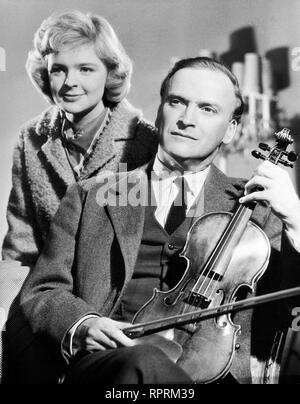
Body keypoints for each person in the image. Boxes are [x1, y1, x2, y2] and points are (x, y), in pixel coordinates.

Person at [15, 57, 300, 384]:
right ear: (160, 109)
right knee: (144, 358)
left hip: (216, 374)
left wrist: (295, 220)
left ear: (231, 128)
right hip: (112, 366)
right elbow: (44, 288)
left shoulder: (256, 205)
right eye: (177, 102)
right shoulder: (89, 196)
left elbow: (291, 302)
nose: (187, 120)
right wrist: (83, 325)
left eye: (207, 109)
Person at [2, 10, 157, 267]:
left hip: (118, 302)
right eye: (59, 70)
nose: (70, 82)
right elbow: (20, 249)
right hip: (45, 297)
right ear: (45, 74)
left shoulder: (146, 141)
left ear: (110, 73)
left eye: (85, 69)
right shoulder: (31, 138)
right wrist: (7, 304)